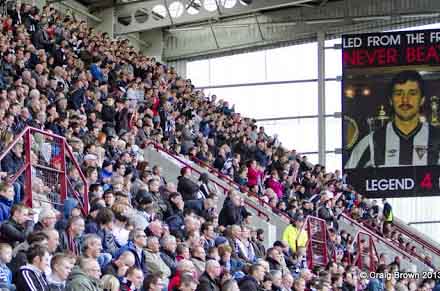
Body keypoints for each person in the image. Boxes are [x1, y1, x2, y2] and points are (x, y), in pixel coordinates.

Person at [346, 70, 440, 168]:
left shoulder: (437, 138)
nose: (405, 100)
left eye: (412, 93)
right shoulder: (372, 141)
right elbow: (347, 178)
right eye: (399, 93)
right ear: (391, 100)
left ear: (422, 100)